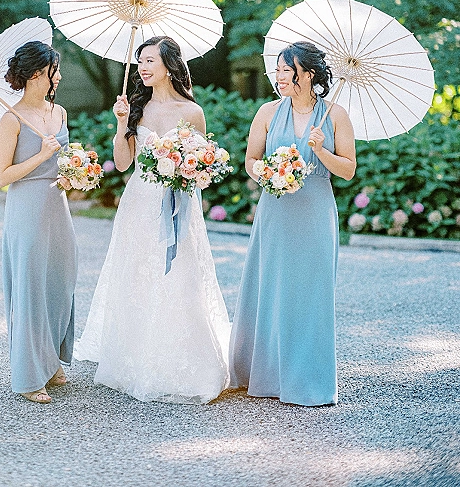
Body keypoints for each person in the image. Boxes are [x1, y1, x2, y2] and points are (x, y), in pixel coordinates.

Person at [73, 36, 230, 403]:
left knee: (181, 275)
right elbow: (124, 163)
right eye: (140, 61)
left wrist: (182, 173)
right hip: (140, 203)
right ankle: (135, 360)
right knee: (137, 274)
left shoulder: (192, 113)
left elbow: (202, 166)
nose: (143, 68)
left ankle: (184, 361)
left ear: (169, 66)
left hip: (180, 205)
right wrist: (120, 123)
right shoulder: (135, 109)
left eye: (150, 61)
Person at [229, 41, 356, 406]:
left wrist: (321, 151)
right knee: (270, 286)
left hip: (316, 209)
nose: (279, 76)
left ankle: (308, 381)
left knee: (311, 292)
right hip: (276, 208)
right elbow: (251, 159)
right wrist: (268, 174)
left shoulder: (336, 115)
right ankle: (266, 376)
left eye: (287, 70)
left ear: (309, 73)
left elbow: (347, 170)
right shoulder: (267, 112)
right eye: (279, 70)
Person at [0, 41, 77, 404]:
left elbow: (62, 159)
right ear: (34, 75)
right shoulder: (10, 119)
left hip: (57, 204)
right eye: (52, 70)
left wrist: (74, 173)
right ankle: (30, 376)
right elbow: (2, 176)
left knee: (60, 280)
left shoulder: (58, 111)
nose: (57, 77)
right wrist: (41, 155)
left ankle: (52, 358)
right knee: (30, 287)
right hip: (26, 207)